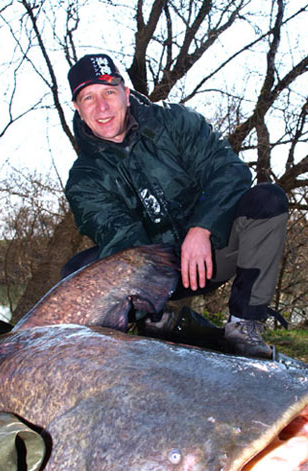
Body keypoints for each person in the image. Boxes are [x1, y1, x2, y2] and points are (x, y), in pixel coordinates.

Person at [63, 53, 289, 358]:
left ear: (126, 95)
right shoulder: (83, 179)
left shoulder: (176, 122)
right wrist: (150, 297)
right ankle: (157, 323)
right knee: (78, 271)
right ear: (77, 108)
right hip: (161, 276)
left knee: (267, 199)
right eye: (88, 97)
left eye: (109, 92)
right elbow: (123, 241)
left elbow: (230, 171)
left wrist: (202, 228)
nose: (102, 107)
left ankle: (243, 328)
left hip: (215, 251)